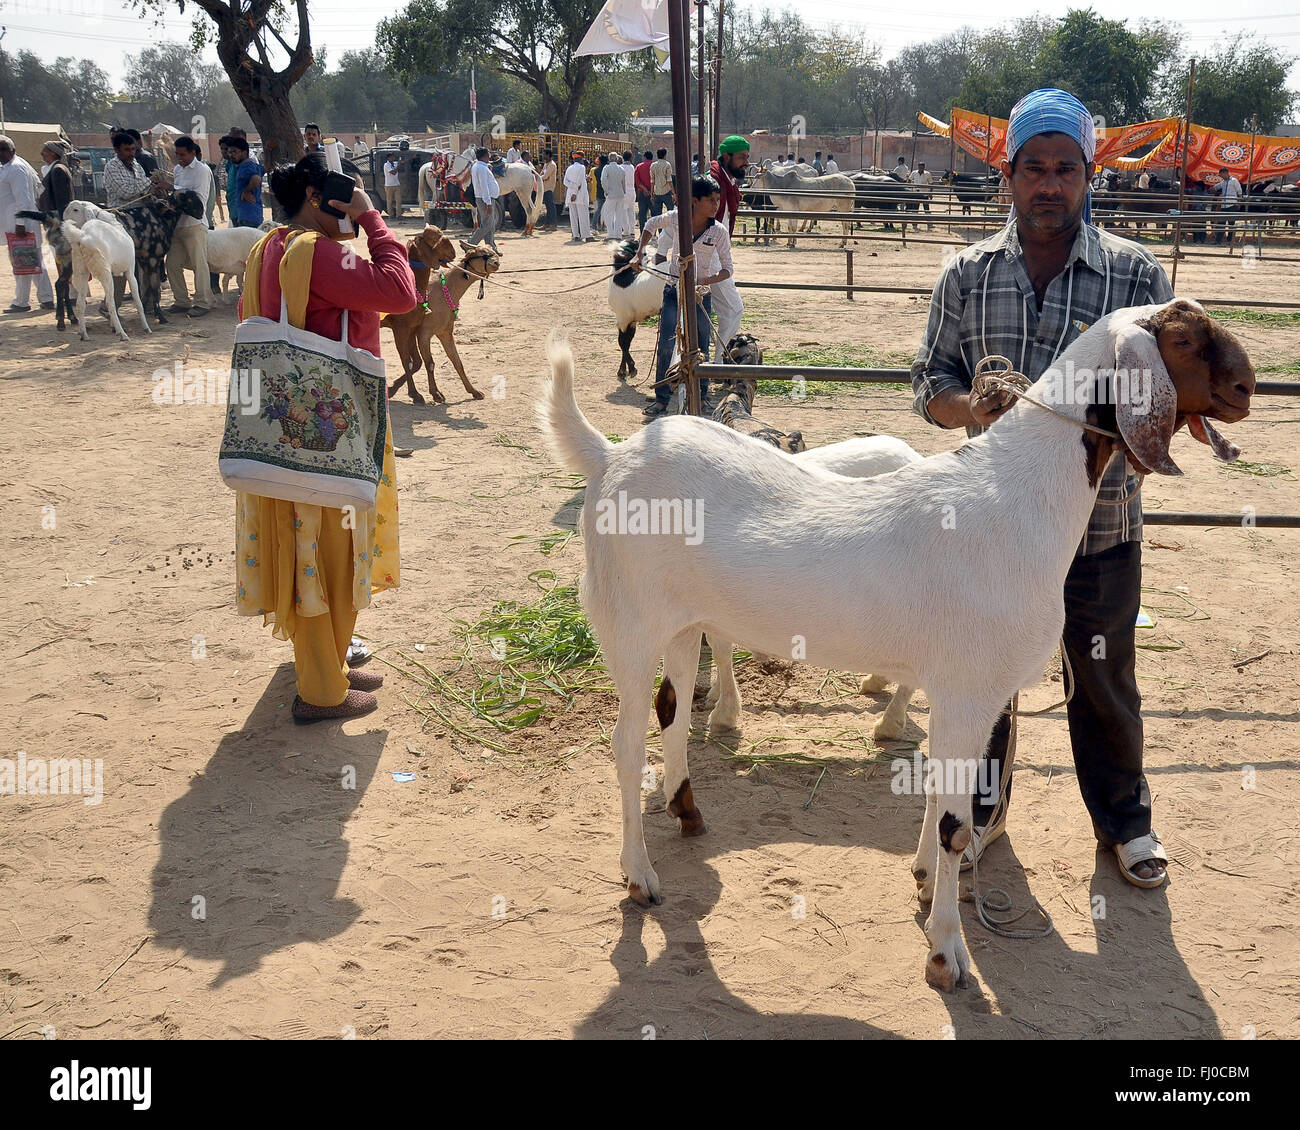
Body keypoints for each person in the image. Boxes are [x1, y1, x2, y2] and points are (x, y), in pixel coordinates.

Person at [911, 87, 1174, 888]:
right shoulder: (966, 274)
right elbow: (929, 383)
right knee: (983, 677)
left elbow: (1159, 396)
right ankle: (979, 818)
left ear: (1090, 174)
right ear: (1009, 173)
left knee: (1103, 678)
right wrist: (971, 407)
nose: (1050, 183)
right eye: (1035, 167)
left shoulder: (1134, 274)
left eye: (1066, 168)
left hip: (1098, 529)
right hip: (989, 533)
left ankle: (1126, 825)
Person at [235, 155, 417, 722]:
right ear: (317, 198)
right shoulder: (316, 252)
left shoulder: (266, 248)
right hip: (327, 429)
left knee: (307, 544)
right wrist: (375, 222)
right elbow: (401, 291)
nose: (353, 208)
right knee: (325, 552)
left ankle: (328, 664)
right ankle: (320, 691)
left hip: (287, 424)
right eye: (345, 199)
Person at [634, 175, 732, 419]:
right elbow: (650, 225)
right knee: (667, 343)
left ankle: (702, 395)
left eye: (718, 200)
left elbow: (727, 270)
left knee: (701, 347)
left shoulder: (718, 231)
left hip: (700, 295)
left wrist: (703, 281)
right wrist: (639, 255)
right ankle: (661, 399)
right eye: (711, 200)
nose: (716, 205)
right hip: (673, 290)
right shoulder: (678, 218)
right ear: (695, 201)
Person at [0, 135, 55, 312]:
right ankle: (45, 298)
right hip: (16, 222)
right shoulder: (10, 166)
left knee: (23, 260)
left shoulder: (16, 168)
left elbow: (23, 199)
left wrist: (21, 223)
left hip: (21, 223)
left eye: (2, 150)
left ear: (12, 151)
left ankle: (22, 301)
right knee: (33, 261)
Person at [708, 135, 749, 362]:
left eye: (747, 157)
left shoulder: (727, 182)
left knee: (723, 311)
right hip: (709, 256)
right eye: (742, 157)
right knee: (733, 309)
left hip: (717, 254)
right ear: (727, 156)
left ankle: (716, 360)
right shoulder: (713, 183)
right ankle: (718, 362)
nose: (746, 162)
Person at [165, 134, 211, 318]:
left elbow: (197, 198)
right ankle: (182, 301)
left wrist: (171, 188)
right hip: (177, 224)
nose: (180, 158)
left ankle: (203, 302)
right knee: (172, 263)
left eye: (183, 155)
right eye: (178, 155)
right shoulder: (178, 169)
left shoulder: (202, 170)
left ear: (193, 152)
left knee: (199, 264)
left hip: (194, 224)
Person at [104, 129, 153, 209]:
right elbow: (125, 193)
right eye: (127, 150)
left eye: (133, 149)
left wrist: (152, 191)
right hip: (120, 213)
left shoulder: (137, 166)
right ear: (116, 150)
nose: (131, 153)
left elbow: (143, 191)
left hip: (140, 211)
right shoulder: (111, 167)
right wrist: (150, 180)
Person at [466, 146, 501, 252]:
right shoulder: (481, 168)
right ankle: (470, 243)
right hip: (485, 199)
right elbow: (484, 186)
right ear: (485, 156)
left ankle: (491, 248)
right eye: (488, 155)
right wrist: (488, 203)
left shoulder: (479, 166)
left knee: (490, 225)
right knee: (487, 225)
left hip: (485, 198)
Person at [227, 135, 264, 227]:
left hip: (247, 218)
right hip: (255, 216)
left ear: (244, 152)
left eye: (234, 152)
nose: (231, 155)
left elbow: (257, 179)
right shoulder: (253, 165)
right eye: (230, 152)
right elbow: (265, 169)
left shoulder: (245, 166)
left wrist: (246, 191)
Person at [38, 141, 75, 218]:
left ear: (53, 153)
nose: (42, 153)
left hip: (56, 216)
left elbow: (61, 198)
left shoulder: (58, 169)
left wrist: (60, 219)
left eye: (45, 150)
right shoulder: (54, 168)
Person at [563, 151, 592, 241]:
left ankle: (575, 235)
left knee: (573, 217)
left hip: (570, 195)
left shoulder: (569, 168)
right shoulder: (582, 167)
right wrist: (575, 193)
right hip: (579, 195)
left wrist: (572, 188)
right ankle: (586, 235)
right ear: (580, 158)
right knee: (583, 216)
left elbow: (565, 182)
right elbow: (579, 182)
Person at [601, 151, 630, 239]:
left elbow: (603, 180)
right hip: (620, 194)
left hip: (611, 194)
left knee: (608, 214)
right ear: (617, 159)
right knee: (619, 215)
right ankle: (618, 235)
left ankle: (611, 234)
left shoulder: (606, 168)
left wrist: (606, 191)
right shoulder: (621, 169)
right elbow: (624, 182)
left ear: (609, 159)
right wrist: (624, 192)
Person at [1212, 166, 1243, 245]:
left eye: (1221, 175)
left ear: (1225, 173)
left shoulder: (1234, 181)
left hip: (1232, 205)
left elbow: (1239, 192)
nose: (1221, 176)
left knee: (1231, 224)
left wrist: (1238, 203)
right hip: (1224, 205)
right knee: (1221, 223)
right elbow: (1216, 187)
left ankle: (1230, 241)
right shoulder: (1223, 182)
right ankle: (1218, 241)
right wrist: (1211, 189)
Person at [649, 147, 674, 216]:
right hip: (666, 192)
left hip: (657, 192)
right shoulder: (667, 164)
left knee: (658, 215)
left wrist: (651, 194)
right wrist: (674, 193)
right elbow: (669, 180)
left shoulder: (653, 165)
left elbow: (652, 181)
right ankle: (670, 226)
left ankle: (660, 227)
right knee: (671, 212)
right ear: (665, 155)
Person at [909, 160, 933, 229]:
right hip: (916, 194)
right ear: (918, 167)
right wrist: (910, 189)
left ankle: (929, 223)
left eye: (922, 167)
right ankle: (914, 224)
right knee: (915, 209)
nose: (921, 169)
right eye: (920, 167)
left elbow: (931, 183)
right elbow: (909, 180)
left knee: (926, 209)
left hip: (924, 194)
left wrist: (930, 193)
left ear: (924, 167)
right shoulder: (914, 173)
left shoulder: (927, 174)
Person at [634, 149, 653, 231]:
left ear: (644, 157)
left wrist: (644, 189)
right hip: (653, 193)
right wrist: (650, 191)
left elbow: (637, 181)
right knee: (654, 214)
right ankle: (654, 233)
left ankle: (642, 233)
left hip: (642, 193)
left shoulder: (638, 166)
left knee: (642, 214)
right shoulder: (654, 166)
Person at [540, 149, 558, 230]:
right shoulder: (546, 164)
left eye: (544, 154)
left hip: (549, 187)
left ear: (548, 155)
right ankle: (547, 224)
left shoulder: (552, 165)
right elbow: (542, 174)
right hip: (544, 187)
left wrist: (538, 179)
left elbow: (545, 176)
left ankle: (553, 225)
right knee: (548, 206)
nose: (543, 156)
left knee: (551, 207)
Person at [620, 150, 637, 236]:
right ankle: (632, 230)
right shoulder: (632, 167)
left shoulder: (621, 167)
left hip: (623, 191)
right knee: (631, 211)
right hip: (632, 190)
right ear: (630, 158)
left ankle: (625, 230)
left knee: (624, 211)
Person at [383, 152, 402, 218]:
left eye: (393, 157)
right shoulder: (386, 165)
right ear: (388, 158)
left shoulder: (395, 163)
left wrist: (412, 157)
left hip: (396, 184)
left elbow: (403, 162)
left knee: (398, 201)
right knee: (389, 201)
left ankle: (398, 215)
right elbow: (393, 172)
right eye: (391, 157)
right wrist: (399, 165)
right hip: (389, 185)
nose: (393, 158)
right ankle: (390, 215)